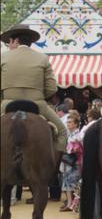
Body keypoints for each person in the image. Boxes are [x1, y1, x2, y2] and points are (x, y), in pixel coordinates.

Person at [1, 24, 67, 158]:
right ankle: (54, 171)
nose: (9, 45)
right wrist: (39, 96)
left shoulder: (3, 57)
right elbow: (51, 88)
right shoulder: (42, 58)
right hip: (37, 105)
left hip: (7, 104)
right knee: (62, 132)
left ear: (16, 41)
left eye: (9, 42)